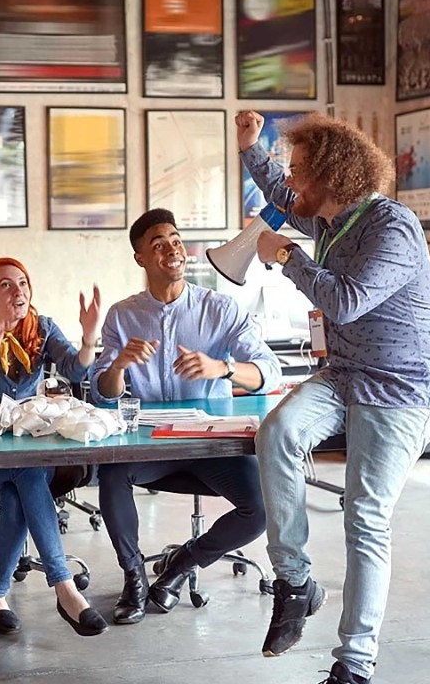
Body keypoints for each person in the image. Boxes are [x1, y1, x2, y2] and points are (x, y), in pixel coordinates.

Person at [238, 111, 430, 684]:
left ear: (333, 175)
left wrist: (286, 257)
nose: (292, 182)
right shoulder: (329, 221)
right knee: (277, 432)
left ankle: (354, 664)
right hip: (349, 373)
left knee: (365, 513)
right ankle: (296, 582)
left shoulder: (391, 226)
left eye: (301, 171)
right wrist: (251, 148)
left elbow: (347, 302)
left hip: (403, 384)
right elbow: (282, 194)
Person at [90, 209, 282, 625]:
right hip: (151, 445)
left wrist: (224, 369)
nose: (171, 249)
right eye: (158, 244)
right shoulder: (123, 316)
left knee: (263, 510)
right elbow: (102, 393)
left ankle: (181, 566)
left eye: (175, 240)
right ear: (141, 258)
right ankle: (134, 577)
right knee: (111, 472)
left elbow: (271, 371)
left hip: (212, 444)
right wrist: (119, 366)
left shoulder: (220, 308)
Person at [0, 257, 108, 637]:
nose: (18, 291)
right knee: (27, 473)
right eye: (5, 285)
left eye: (22, 283)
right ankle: (64, 587)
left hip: (25, 446)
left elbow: (76, 370)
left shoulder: (42, 327)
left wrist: (88, 339)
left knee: (22, 484)